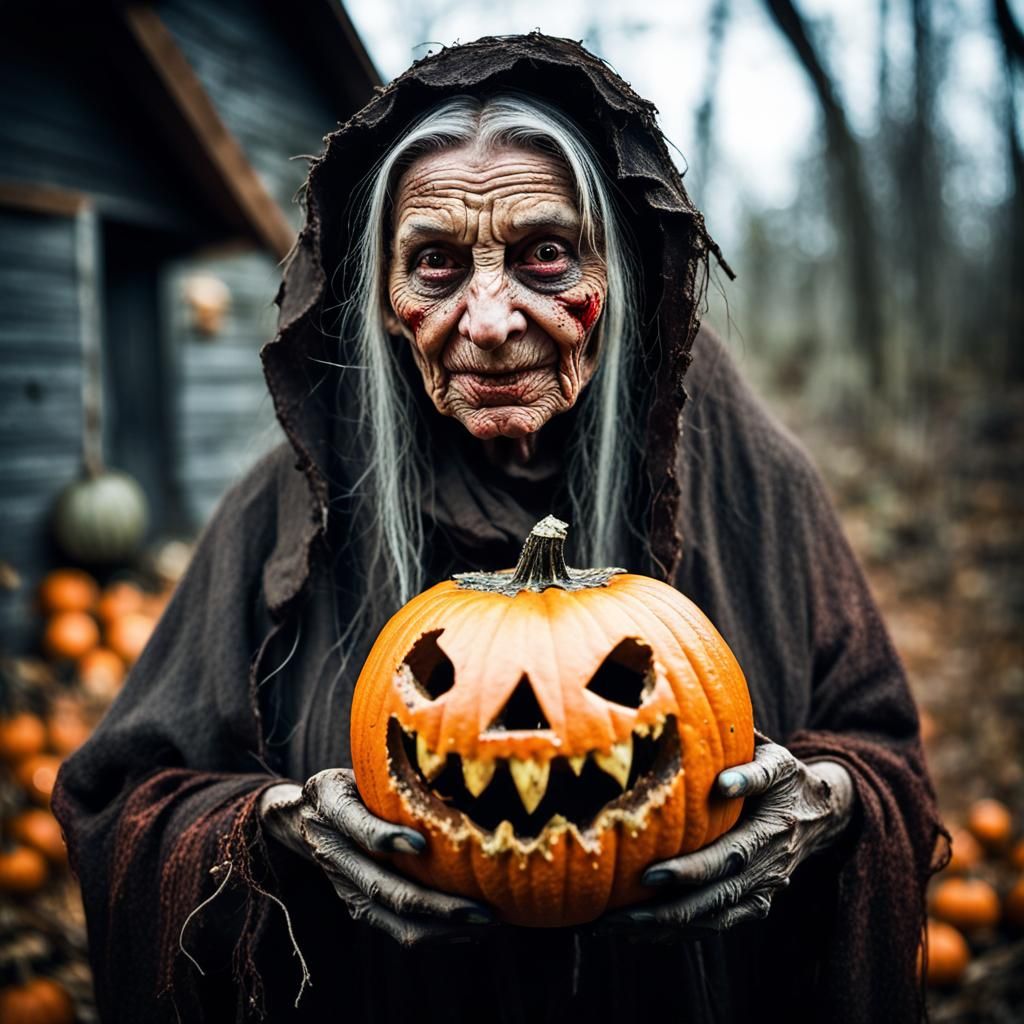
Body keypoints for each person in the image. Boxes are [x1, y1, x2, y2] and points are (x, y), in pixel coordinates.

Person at [53, 33, 946, 1024]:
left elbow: (880, 751)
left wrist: (827, 803)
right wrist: (272, 828)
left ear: (622, 272)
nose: (487, 320)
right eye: (435, 263)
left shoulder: (749, 474)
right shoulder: (291, 505)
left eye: (545, 255)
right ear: (380, 299)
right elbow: (120, 796)